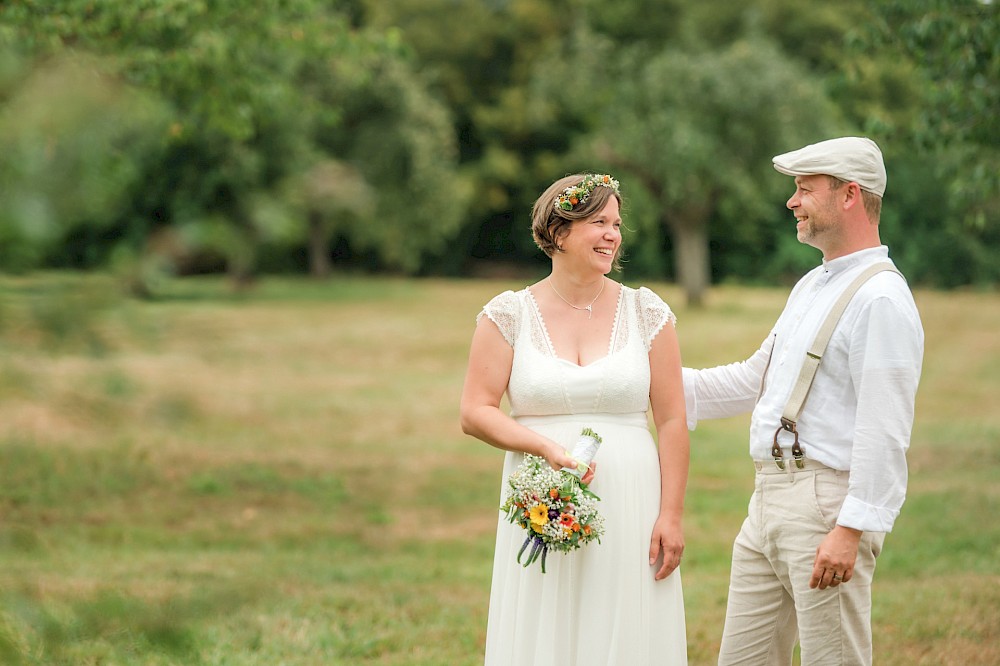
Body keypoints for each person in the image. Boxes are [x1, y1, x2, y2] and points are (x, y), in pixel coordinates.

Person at [682, 137, 924, 665]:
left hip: (825, 509)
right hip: (767, 502)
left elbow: (885, 428)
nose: (792, 202)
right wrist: (645, 377)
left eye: (804, 189)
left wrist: (851, 528)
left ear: (849, 196)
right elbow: (754, 381)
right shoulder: (813, 284)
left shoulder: (880, 299)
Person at [460, 173, 690, 665]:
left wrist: (670, 516)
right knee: (546, 626)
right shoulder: (508, 314)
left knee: (624, 622)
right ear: (559, 232)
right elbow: (475, 411)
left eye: (616, 223)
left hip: (632, 498)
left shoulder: (647, 312)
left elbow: (671, 420)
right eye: (598, 222)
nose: (613, 234)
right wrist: (544, 448)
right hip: (541, 493)